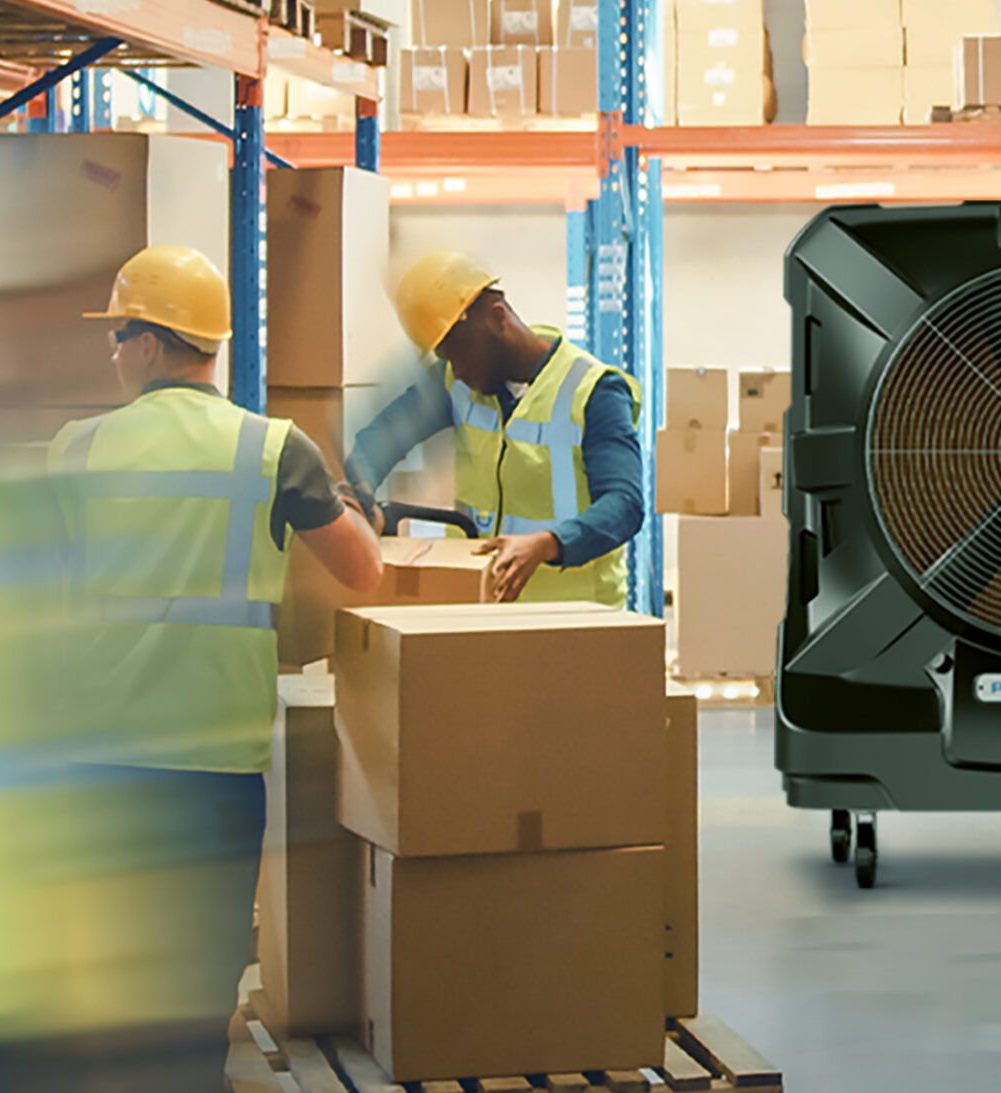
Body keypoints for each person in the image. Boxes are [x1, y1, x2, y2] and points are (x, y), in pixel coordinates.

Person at [44, 245, 383, 1087]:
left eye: (119, 336)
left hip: (101, 752)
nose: (114, 355)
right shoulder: (273, 451)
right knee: (202, 967)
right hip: (215, 761)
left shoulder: (75, 450)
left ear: (153, 345)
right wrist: (338, 502)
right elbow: (363, 569)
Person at [341, 251, 649, 603]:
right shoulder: (455, 383)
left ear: (498, 319)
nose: (457, 369)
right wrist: (361, 495)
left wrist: (549, 544)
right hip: (484, 609)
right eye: (445, 358)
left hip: (573, 618)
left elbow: (624, 503)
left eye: (461, 352)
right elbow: (380, 439)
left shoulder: (593, 391)